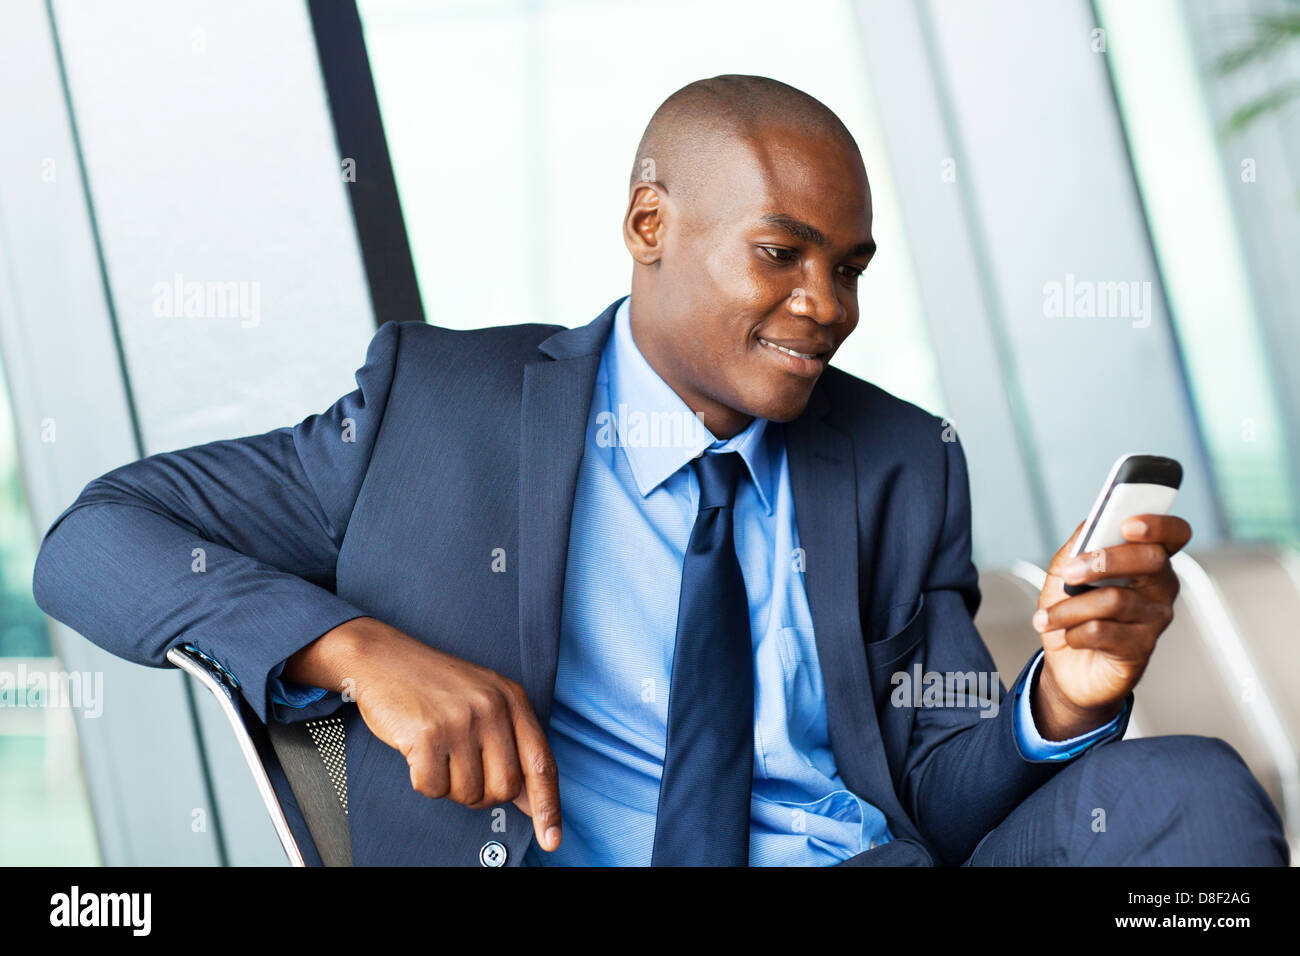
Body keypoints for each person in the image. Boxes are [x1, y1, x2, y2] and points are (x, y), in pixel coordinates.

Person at [32, 75, 1288, 867]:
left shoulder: (899, 457)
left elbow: (939, 795)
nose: (826, 304)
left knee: (1189, 788)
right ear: (649, 226)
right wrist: (356, 650)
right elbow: (95, 535)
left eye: (849, 265)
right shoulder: (439, 409)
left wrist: (1061, 697)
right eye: (782, 253)